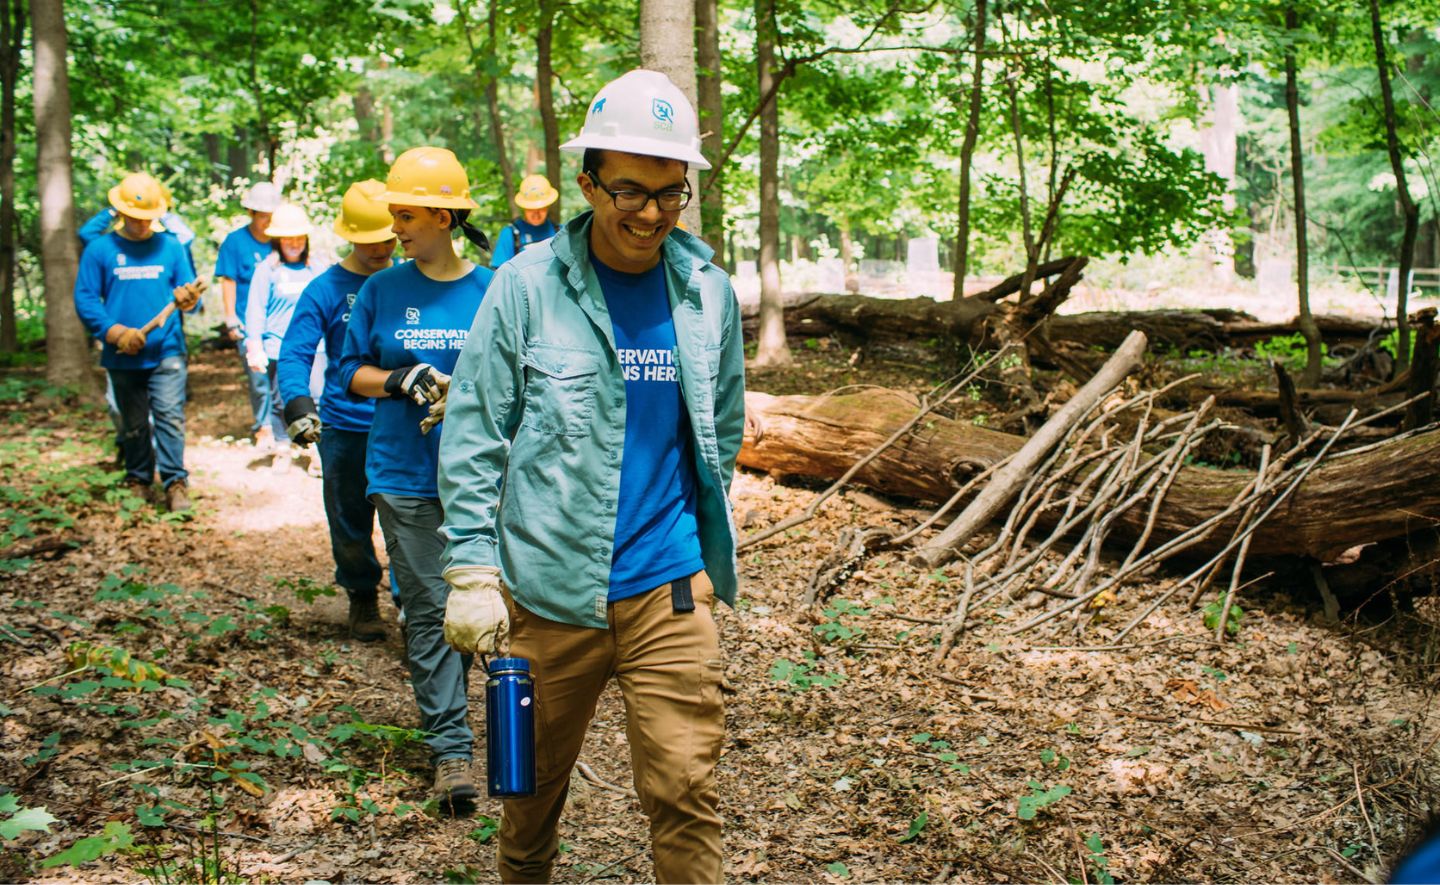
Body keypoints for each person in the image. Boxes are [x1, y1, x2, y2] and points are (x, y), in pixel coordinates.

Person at [436, 69, 745, 884]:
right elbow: (473, 434)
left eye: (671, 194)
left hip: (669, 589)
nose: (651, 214)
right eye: (632, 192)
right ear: (588, 182)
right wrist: (471, 566)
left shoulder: (709, 294)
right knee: (528, 795)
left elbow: (725, 424)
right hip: (546, 592)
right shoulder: (524, 288)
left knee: (686, 788)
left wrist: (696, 542)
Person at [336, 147, 495, 811]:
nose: (394, 226)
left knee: (473, 606)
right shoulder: (380, 289)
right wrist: (401, 379)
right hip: (402, 472)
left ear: (442, 214)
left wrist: (468, 391)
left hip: (481, 475)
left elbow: (517, 374)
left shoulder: (491, 288)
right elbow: (349, 371)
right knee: (429, 605)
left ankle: (456, 718)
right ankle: (452, 751)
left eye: (405, 214)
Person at [277, 180, 400, 642]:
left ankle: (415, 608)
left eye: (388, 236)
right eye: (369, 240)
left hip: (404, 426)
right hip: (345, 427)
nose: (381, 247)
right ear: (349, 234)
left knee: (410, 521)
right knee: (349, 519)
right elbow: (295, 353)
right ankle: (362, 597)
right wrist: (298, 405)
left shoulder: (411, 280)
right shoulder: (324, 289)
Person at [73, 172, 206, 513]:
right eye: (135, 217)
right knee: (132, 422)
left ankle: (175, 482)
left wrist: (188, 298)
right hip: (122, 356)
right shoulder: (100, 249)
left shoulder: (172, 246)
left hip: (167, 350)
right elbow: (86, 299)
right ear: (119, 212)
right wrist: (115, 332)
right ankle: (138, 479)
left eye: (148, 218)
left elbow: (191, 296)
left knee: (169, 416)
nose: (142, 224)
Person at [244, 203, 327, 458]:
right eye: (288, 238)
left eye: (299, 238)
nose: (295, 243)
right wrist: (254, 346)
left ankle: (317, 452)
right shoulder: (267, 270)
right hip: (278, 347)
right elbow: (256, 310)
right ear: (278, 240)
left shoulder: (317, 268)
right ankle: (282, 447)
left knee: (318, 397)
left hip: (317, 348)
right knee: (281, 401)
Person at [217, 181, 282, 445]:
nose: (266, 221)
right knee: (258, 379)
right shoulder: (235, 242)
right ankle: (263, 426)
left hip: (279, 324)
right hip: (248, 324)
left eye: (271, 216)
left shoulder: (284, 241)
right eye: (262, 215)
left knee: (283, 379)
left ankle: (284, 428)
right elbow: (228, 280)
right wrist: (231, 316)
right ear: (252, 214)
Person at [488, 174, 558, 269]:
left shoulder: (560, 233)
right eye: (531, 208)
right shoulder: (510, 234)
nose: (536, 213)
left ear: (548, 205)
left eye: (541, 208)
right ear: (523, 207)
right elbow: (499, 275)